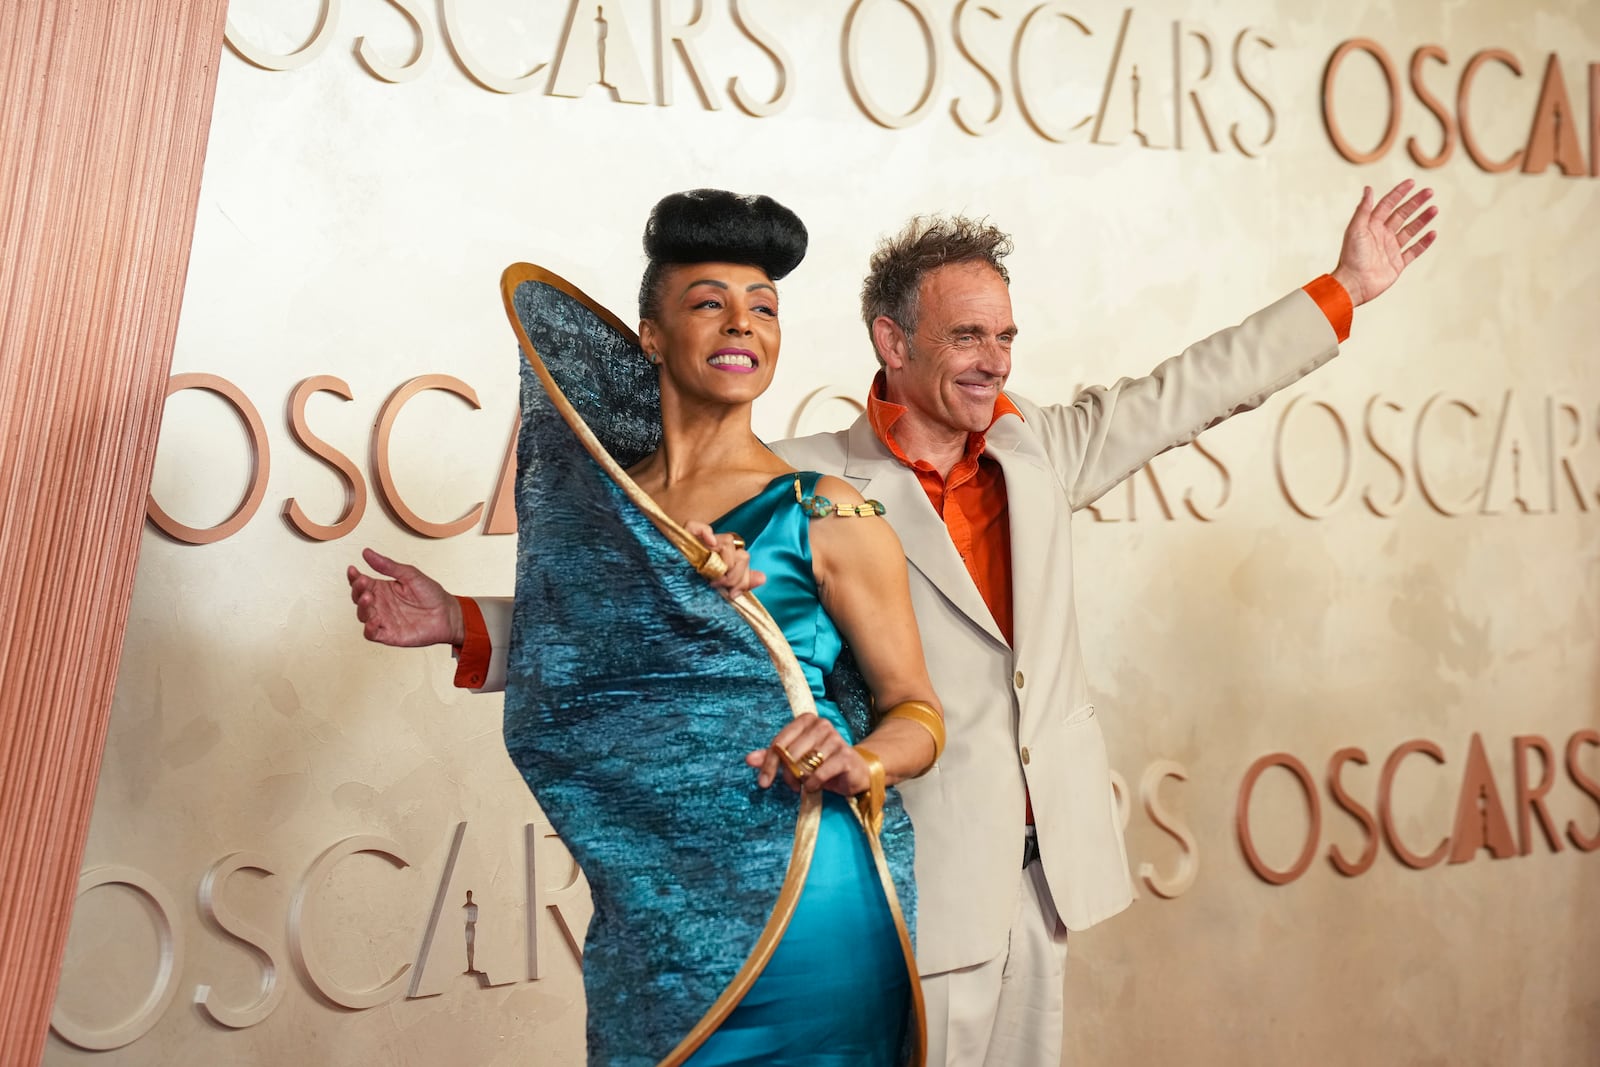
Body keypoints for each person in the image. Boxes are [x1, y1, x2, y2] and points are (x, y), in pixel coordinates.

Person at [350, 180, 1439, 1065]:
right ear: (892, 340)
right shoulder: (813, 483)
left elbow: (1193, 387)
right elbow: (633, 620)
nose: (994, 360)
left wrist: (1343, 288)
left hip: (1044, 878)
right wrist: (462, 621)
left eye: (1005, 337)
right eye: (967, 335)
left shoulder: (1039, 449)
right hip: (904, 876)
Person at [354, 189, 943, 1066]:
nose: (743, 325)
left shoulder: (827, 512)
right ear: (652, 335)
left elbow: (918, 714)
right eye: (709, 302)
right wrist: (455, 620)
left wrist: (863, 759)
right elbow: (612, 644)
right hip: (649, 907)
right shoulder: (605, 504)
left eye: (765, 308)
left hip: (801, 890)